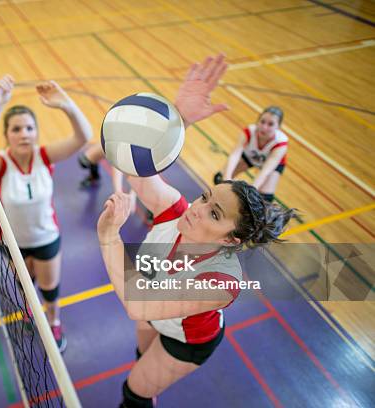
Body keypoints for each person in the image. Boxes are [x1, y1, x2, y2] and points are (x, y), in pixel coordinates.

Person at [96, 55, 294, 408]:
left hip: (185, 340)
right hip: (154, 314)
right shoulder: (176, 210)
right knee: (141, 359)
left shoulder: (219, 282)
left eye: (214, 213)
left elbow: (137, 302)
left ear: (231, 239)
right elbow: (135, 167)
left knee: (135, 391)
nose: (197, 209)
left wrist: (110, 238)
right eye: (205, 196)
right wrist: (179, 119)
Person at [0, 75, 92, 352]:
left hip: (45, 238)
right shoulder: (0, 164)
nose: (24, 134)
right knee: (24, 287)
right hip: (12, 243)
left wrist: (65, 104)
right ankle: (31, 312)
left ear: (36, 133)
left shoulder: (44, 156)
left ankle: (54, 321)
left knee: (49, 288)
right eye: (16, 129)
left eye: (29, 128)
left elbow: (84, 137)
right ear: (6, 134)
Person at [213, 106, 288, 202]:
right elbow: (235, 154)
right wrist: (227, 178)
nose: (264, 127)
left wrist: (252, 191)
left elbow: (265, 171)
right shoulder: (249, 132)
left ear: (278, 127)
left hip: (270, 165)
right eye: (262, 122)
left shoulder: (280, 143)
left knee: (264, 199)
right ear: (258, 121)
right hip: (250, 156)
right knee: (219, 178)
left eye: (270, 124)